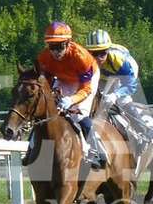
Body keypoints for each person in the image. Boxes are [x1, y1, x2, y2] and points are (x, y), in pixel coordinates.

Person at [36, 21, 106, 168]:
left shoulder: (81, 57)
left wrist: (72, 100)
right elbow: (44, 82)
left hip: (86, 80)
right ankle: (33, 149)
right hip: (63, 79)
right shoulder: (43, 58)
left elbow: (86, 89)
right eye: (52, 46)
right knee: (47, 113)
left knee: (79, 115)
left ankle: (95, 152)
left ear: (68, 43)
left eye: (59, 46)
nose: (55, 51)